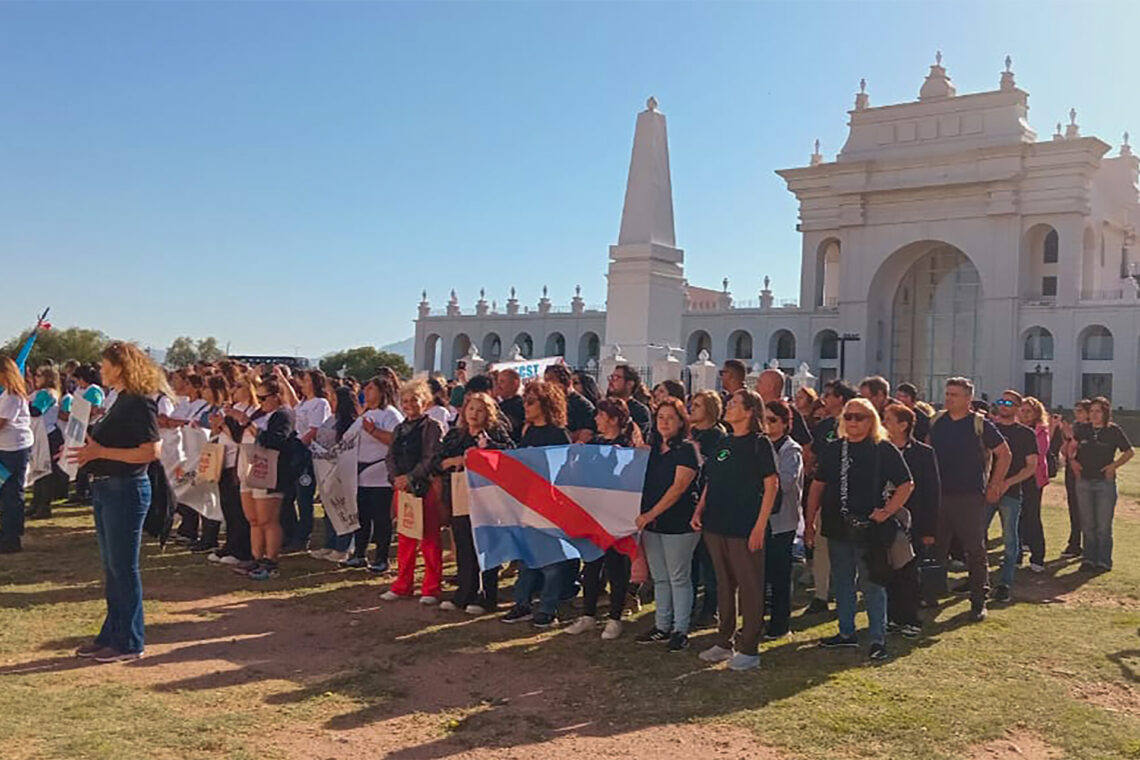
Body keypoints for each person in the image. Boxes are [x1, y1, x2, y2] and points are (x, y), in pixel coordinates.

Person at [69, 342, 162, 662]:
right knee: (112, 568)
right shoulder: (119, 400)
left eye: (105, 364)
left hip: (126, 489)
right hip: (107, 488)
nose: (100, 369)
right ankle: (112, 633)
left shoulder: (139, 402)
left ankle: (130, 641)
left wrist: (101, 453)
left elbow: (151, 452)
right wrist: (83, 452)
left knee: (123, 568)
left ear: (121, 366)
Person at [807, 398, 914, 661]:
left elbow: (906, 483)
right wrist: (809, 522)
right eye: (849, 417)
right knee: (842, 581)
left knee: (873, 584)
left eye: (860, 417)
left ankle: (878, 638)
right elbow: (817, 487)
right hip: (836, 525)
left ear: (872, 420)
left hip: (871, 529)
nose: (853, 422)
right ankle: (846, 633)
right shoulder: (833, 450)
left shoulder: (883, 449)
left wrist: (887, 511)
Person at [692, 389, 780, 671]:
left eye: (734, 404)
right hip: (716, 525)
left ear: (750, 411)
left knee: (750, 588)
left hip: (745, 528)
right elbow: (711, 479)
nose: (728, 407)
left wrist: (759, 526)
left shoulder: (760, 443)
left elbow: (772, 485)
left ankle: (750, 648)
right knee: (723, 585)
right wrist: (699, 509)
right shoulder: (725, 442)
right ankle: (724, 641)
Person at [928, 377, 1010, 622]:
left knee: (974, 549)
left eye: (954, 394)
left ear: (967, 399)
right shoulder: (936, 421)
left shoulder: (979, 424)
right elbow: (925, 450)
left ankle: (978, 599)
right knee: (936, 548)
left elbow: (1004, 454)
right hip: (939, 495)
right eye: (947, 393)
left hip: (969, 496)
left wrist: (995, 484)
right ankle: (931, 594)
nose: (948, 398)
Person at [629, 396, 703, 650]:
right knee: (660, 578)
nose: (664, 422)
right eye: (660, 417)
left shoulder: (687, 449)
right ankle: (662, 625)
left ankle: (681, 630)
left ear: (682, 421)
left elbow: (678, 488)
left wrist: (649, 515)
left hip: (678, 523)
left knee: (678, 577)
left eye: (671, 417)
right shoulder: (651, 449)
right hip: (653, 525)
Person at [501, 380, 574, 626]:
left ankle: (547, 608)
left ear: (545, 404)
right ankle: (522, 603)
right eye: (525, 401)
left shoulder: (558, 434)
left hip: (550, 504)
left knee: (552, 561)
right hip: (527, 503)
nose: (526, 406)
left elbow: (563, 470)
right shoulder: (528, 431)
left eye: (531, 402)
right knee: (526, 558)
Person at [567, 398, 639, 639]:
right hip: (594, 513)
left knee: (616, 566)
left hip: (616, 515)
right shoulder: (594, 444)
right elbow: (581, 476)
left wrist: (627, 457)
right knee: (591, 564)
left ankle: (615, 617)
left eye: (600, 415)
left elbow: (630, 478)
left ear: (614, 419)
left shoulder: (626, 445)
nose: (596, 419)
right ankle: (588, 614)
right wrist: (575, 456)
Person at [435, 391, 512, 613]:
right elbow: (437, 462)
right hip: (460, 496)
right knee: (464, 544)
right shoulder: (455, 436)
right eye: (471, 409)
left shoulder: (496, 435)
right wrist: (454, 460)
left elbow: (510, 454)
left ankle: (487, 595)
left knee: (486, 546)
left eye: (480, 410)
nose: (474, 414)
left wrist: (484, 453)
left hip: (487, 499)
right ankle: (464, 593)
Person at [382, 380, 447, 604]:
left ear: (425, 402)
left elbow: (432, 457)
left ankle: (431, 587)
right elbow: (390, 456)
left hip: (424, 487)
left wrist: (410, 477)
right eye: (405, 401)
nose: (409, 405)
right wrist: (396, 479)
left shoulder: (433, 426)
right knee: (405, 537)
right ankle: (403, 584)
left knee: (429, 538)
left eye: (414, 400)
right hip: (403, 489)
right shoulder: (399, 428)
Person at [882, 403, 940, 637]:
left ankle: (910, 619)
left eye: (888, 419)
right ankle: (891, 617)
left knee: (909, 572)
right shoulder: (879, 449)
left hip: (913, 523)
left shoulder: (924, 453)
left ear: (903, 425)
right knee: (886, 570)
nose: (883, 423)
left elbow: (932, 492)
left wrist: (929, 529)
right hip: (885, 520)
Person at [230, 377, 297, 580]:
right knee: (253, 519)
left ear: (276, 397)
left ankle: (271, 560)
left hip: (271, 470)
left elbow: (275, 441)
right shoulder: (260, 413)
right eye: (258, 397)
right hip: (249, 465)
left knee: (268, 519)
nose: (260, 402)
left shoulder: (283, 415)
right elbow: (240, 436)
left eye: (264, 397)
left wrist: (248, 423)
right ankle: (256, 557)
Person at [803, 379, 857, 615]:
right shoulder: (825, 426)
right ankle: (820, 595)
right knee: (822, 546)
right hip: (826, 494)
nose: (825, 398)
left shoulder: (857, 426)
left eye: (830, 394)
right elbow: (813, 454)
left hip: (854, 498)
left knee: (850, 548)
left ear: (841, 399)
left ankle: (847, 591)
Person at [343, 376, 403, 571]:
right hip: (360, 474)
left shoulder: (390, 414)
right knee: (362, 517)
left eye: (370, 388)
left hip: (380, 474)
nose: (365, 392)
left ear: (382, 391)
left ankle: (381, 558)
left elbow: (397, 440)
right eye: (365, 388)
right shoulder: (365, 413)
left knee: (381, 518)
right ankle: (359, 554)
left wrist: (374, 431)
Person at [987, 390, 1039, 603]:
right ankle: (978, 581)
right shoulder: (990, 429)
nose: (1003, 405)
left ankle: (1005, 583)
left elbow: (1031, 466)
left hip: (1011, 493)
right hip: (987, 492)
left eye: (1009, 402)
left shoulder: (1025, 434)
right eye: (1000, 401)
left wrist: (1007, 482)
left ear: (1018, 407)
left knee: (1010, 538)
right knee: (977, 536)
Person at [1072, 397, 1133, 572]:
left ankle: (1103, 560)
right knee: (1088, 523)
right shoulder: (1083, 429)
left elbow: (1129, 452)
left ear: (1105, 413)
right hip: (1084, 480)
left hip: (1104, 482)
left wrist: (1114, 466)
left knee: (1103, 525)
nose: (1094, 415)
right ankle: (1088, 559)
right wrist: (1072, 461)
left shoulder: (1113, 431)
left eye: (1098, 411)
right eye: (1091, 411)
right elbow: (1071, 447)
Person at [762, 399, 803, 640]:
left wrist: (763, 478)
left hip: (782, 522)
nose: (768, 424)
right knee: (760, 574)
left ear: (786, 423)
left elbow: (785, 482)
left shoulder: (791, 449)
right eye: (765, 419)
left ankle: (780, 625)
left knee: (779, 575)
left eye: (773, 420)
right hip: (761, 519)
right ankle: (756, 621)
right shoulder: (762, 444)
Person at [205, 375, 253, 567]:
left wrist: (225, 424)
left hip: (238, 463)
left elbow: (240, 436)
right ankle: (230, 545)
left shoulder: (251, 411)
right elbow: (222, 433)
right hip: (224, 461)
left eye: (239, 386)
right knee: (228, 507)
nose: (234, 390)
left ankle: (241, 549)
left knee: (238, 509)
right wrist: (217, 426)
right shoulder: (236, 408)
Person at [687, 389, 725, 627]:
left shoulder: (717, 436)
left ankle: (711, 609)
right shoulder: (691, 432)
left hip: (708, 502)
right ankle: (687, 606)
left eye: (698, 405)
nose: (693, 409)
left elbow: (713, 469)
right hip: (687, 498)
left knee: (709, 562)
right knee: (689, 560)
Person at [284, 369, 331, 552]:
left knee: (304, 497)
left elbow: (314, 430)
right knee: (290, 496)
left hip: (308, 455)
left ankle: (304, 536)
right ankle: (292, 532)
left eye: (305, 379)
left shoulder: (320, 403)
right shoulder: (303, 403)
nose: (301, 382)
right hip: (296, 452)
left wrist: (297, 445)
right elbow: (292, 401)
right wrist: (282, 379)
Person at [0, 355, 34, 553]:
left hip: (14, 449)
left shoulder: (13, 395)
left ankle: (12, 537)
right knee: (5, 492)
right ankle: (7, 531)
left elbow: (2, 422)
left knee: (12, 492)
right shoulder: (5, 394)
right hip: (5, 448)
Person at [1018, 396, 1051, 573]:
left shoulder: (1040, 430)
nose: (1024, 414)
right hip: (1017, 477)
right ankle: (1016, 555)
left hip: (1032, 478)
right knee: (1016, 517)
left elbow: (1040, 452)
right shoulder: (1015, 428)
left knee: (1032, 516)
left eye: (1028, 411)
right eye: (1022, 410)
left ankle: (1037, 557)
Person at [27, 365, 64, 519]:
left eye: (39, 375)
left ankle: (44, 506)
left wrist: (22, 401)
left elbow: (36, 411)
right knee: (38, 471)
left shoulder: (48, 393)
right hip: (40, 435)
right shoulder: (40, 392)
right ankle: (36, 503)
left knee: (45, 472)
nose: (36, 378)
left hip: (48, 435)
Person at [1060, 399, 1091, 558]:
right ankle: (1075, 543)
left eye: (1080, 411)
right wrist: (1067, 438)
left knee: (1087, 510)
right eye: (1076, 410)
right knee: (1074, 508)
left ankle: (1088, 546)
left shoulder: (1091, 429)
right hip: (1071, 472)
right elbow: (1065, 452)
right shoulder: (1075, 427)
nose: (1076, 414)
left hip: (1086, 472)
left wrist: (1072, 437)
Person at [755, 369, 812, 447]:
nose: (756, 386)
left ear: (771, 386)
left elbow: (806, 444)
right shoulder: (756, 409)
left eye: (760, 382)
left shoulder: (789, 411)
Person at [545, 363, 596, 443]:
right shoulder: (547, 404)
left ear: (567, 383)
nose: (547, 386)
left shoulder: (583, 406)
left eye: (551, 381)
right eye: (546, 381)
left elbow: (587, 433)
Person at [606, 365, 652, 440]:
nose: (611, 381)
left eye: (616, 377)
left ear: (630, 384)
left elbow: (636, 438)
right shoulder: (605, 406)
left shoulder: (640, 411)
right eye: (611, 377)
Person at [495, 368, 525, 443]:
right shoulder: (498, 406)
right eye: (498, 382)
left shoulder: (522, 405)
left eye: (502, 381)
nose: (498, 386)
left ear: (515, 383)